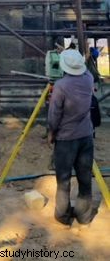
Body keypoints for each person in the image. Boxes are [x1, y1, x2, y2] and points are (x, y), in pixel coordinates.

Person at [48, 48, 95, 226]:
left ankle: (62, 216)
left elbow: (54, 115)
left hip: (66, 139)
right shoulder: (89, 78)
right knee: (84, 179)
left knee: (64, 180)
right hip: (86, 136)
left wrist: (51, 133)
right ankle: (84, 217)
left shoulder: (61, 86)